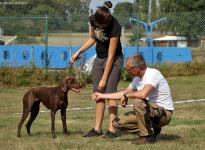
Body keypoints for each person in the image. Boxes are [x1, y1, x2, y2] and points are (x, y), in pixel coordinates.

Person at [92, 54, 174, 144]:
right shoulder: (137, 79)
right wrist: (101, 95)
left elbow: (143, 94)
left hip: (163, 114)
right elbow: (124, 93)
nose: (126, 71)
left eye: (128, 69)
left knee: (138, 102)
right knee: (116, 123)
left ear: (136, 69)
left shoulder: (153, 74)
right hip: (149, 112)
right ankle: (151, 132)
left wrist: (127, 96)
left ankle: (145, 137)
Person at [71, 1, 123, 138]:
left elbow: (111, 56)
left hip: (114, 60)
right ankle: (97, 129)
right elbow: (92, 38)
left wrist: (104, 79)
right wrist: (78, 52)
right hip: (99, 58)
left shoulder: (115, 26)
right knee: (98, 93)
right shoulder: (93, 20)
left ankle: (112, 130)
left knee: (110, 93)